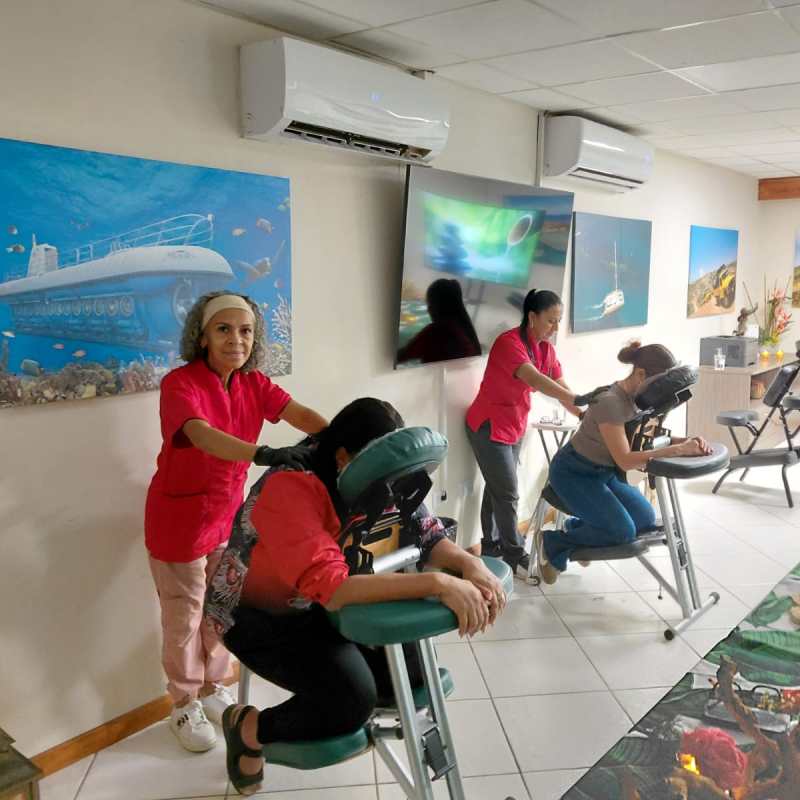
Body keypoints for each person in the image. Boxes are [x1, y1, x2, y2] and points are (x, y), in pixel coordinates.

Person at [204, 397, 508, 796]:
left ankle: (342, 699)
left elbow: (427, 534)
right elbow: (335, 590)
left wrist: (471, 567)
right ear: (344, 458)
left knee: (416, 675)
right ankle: (248, 727)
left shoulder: (379, 474)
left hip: (316, 598)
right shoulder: (290, 487)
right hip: (256, 613)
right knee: (351, 700)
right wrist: (439, 584)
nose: (392, 488)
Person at [144, 291, 327, 753]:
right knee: (184, 613)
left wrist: (339, 439)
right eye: (223, 329)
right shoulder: (179, 384)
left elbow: (297, 412)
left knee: (222, 605)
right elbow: (202, 436)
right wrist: (263, 453)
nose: (236, 340)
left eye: (245, 331)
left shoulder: (253, 383)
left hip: (226, 515)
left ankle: (213, 684)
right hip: (179, 519)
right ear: (202, 337)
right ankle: (184, 701)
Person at [533, 341, 712, 584]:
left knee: (645, 519)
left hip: (604, 473)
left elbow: (648, 438)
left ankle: (581, 528)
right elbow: (626, 460)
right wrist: (678, 449)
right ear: (640, 374)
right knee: (621, 532)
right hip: (574, 473)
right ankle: (553, 542)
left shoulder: (640, 402)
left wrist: (686, 441)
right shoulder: (611, 403)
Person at [465, 289, 582, 572]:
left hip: (515, 424)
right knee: (508, 492)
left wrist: (583, 412)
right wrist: (580, 401)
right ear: (532, 316)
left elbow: (561, 386)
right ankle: (514, 553)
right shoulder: (509, 343)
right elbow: (537, 380)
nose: (556, 328)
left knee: (497, 487)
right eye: (551, 321)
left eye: (559, 321)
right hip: (488, 424)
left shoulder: (546, 349)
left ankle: (491, 546)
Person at [397, 278, 481, 364]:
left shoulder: (435, 332)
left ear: (439, 306)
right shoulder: (466, 331)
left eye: (430, 304)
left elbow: (401, 355)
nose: (428, 310)